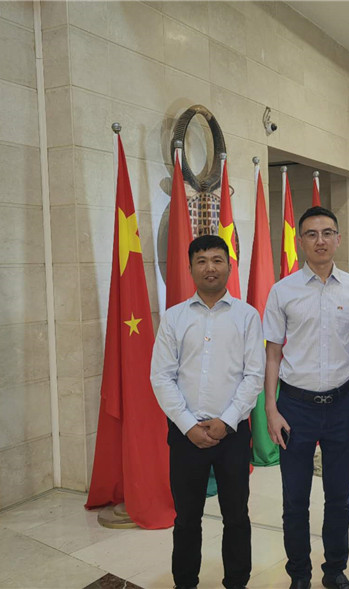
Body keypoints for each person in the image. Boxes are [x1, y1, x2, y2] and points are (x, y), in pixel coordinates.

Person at [264, 206, 349, 589]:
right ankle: (300, 574)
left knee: (339, 498)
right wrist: (271, 407)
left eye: (327, 233)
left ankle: (335, 571)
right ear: (300, 241)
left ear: (338, 239)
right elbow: (272, 354)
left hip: (342, 405)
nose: (320, 240)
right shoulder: (283, 291)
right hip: (295, 407)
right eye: (311, 234)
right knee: (295, 499)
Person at [151, 234, 266, 589]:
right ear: (190, 268)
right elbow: (161, 376)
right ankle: (185, 582)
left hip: (232, 434)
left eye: (217, 260)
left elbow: (254, 375)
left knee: (236, 516)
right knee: (187, 518)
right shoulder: (174, 318)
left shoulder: (247, 316)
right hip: (185, 435)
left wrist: (226, 422)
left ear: (229, 266)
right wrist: (188, 425)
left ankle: (237, 582)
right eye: (201, 261)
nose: (210, 268)